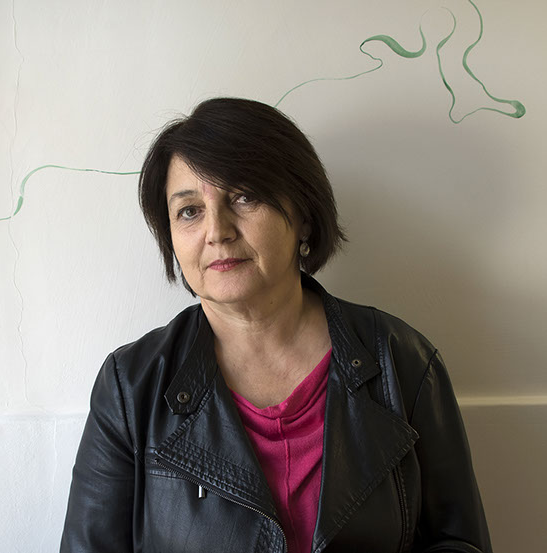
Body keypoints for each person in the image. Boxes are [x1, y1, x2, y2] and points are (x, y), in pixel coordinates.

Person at [60, 98, 491, 553]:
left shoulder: (403, 361)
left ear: (303, 215)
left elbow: (459, 543)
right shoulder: (130, 386)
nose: (217, 231)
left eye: (244, 197)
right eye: (189, 211)